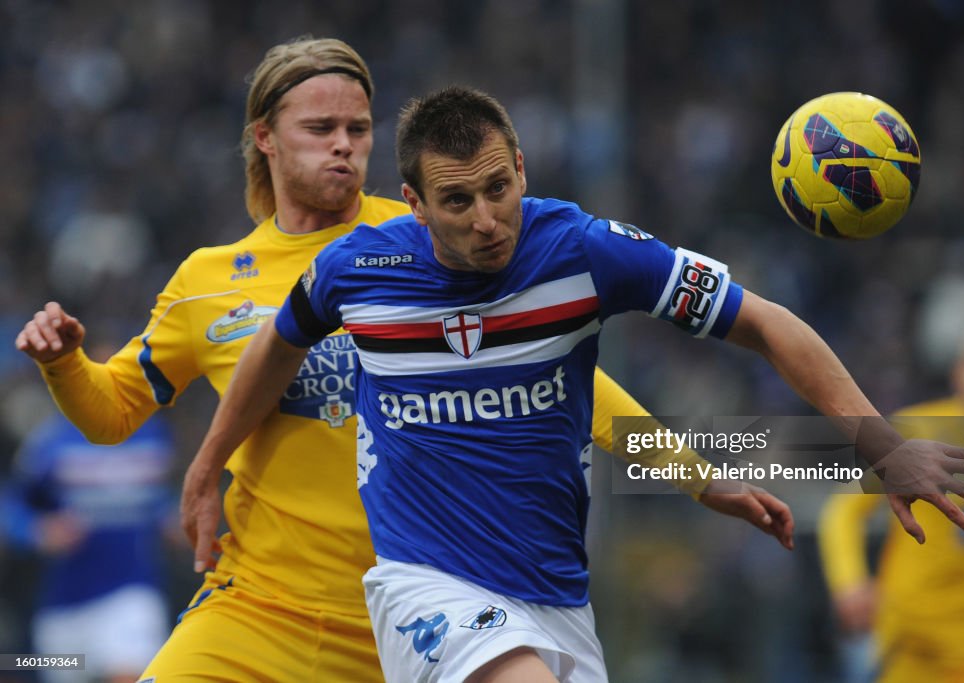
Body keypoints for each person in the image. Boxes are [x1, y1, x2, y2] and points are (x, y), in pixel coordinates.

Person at [14, 38, 791, 682]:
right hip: (259, 610)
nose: (346, 146)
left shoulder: (430, 239)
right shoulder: (207, 282)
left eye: (358, 127)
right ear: (264, 137)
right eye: (321, 128)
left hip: (423, 616)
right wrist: (64, 362)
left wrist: (696, 474)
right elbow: (113, 415)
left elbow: (577, 388)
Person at [182, 85, 964, 682]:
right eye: (457, 201)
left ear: (522, 169)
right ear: (413, 204)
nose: (486, 219)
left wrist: (876, 444)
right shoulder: (357, 269)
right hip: (422, 586)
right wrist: (208, 464)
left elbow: (765, 321)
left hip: (556, 599)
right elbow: (275, 347)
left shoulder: (584, 251)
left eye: (499, 188)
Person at [819, 323, 964, 683]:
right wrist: (849, 581)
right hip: (911, 641)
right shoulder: (918, 429)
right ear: (957, 373)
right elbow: (844, 510)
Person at [2, 390, 176, 683]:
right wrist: (38, 531)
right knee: (54, 668)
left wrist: (172, 518)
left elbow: (156, 497)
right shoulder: (51, 440)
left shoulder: (152, 435)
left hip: (130, 592)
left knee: (129, 673)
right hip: (64, 606)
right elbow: (13, 504)